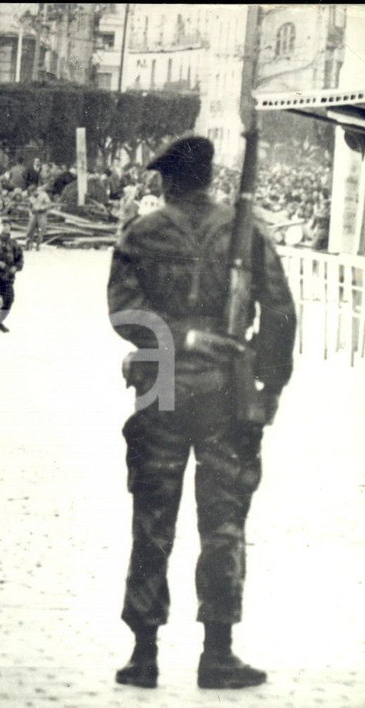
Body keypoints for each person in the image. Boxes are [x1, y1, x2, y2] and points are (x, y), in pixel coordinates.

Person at [108, 137, 296, 691]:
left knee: (151, 522)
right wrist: (267, 381)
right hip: (224, 392)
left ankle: (143, 653)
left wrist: (177, 336)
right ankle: (218, 651)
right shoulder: (246, 233)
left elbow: (123, 311)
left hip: (161, 383)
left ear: (166, 180)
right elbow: (281, 312)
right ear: (210, 178)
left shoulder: (141, 233)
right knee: (222, 523)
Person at [26, 185, 52, 251]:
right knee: (30, 229)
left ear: (35, 191)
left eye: (32, 192)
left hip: (42, 214)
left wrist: (41, 208)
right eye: (30, 193)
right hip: (34, 214)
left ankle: (38, 245)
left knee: (41, 229)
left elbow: (48, 204)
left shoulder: (43, 195)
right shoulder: (31, 197)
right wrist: (31, 212)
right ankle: (28, 244)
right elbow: (29, 206)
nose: (32, 195)